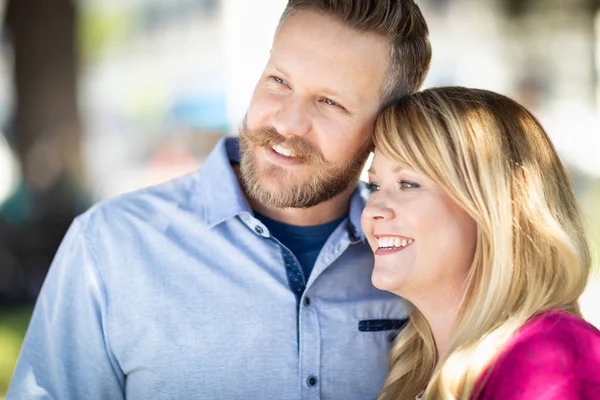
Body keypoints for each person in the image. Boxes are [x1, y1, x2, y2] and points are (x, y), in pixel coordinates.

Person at [8, 1, 431, 399]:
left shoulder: (423, 261)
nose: (287, 122)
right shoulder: (108, 245)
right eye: (278, 80)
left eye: (329, 102)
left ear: (387, 127)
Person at [362, 86, 600, 400]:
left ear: (490, 206)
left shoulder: (554, 356)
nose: (374, 210)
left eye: (407, 183)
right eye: (375, 185)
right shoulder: (417, 365)